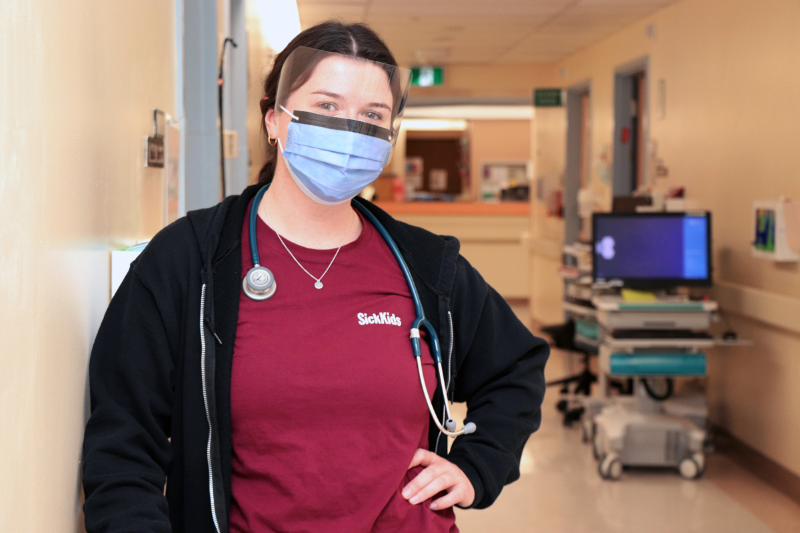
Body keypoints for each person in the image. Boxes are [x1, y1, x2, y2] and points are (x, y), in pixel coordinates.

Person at [82, 21, 549, 533]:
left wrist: (477, 466)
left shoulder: (423, 264)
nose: (350, 131)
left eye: (373, 115)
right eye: (327, 105)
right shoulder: (189, 260)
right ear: (273, 119)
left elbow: (516, 368)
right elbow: (122, 447)